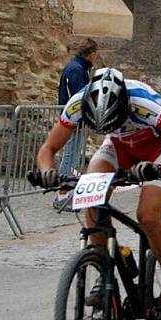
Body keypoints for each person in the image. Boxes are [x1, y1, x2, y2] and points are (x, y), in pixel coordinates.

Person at [30, 68, 161, 320]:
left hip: (155, 150)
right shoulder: (78, 102)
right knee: (91, 195)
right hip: (117, 147)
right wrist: (46, 172)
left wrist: (160, 170)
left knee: (148, 216)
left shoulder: (144, 103)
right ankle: (105, 266)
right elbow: (48, 149)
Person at [54, 39, 98, 208]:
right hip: (74, 119)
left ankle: (67, 193)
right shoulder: (77, 70)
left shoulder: (78, 68)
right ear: (91, 53)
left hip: (75, 118)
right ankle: (62, 194)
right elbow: (78, 97)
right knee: (70, 155)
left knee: (72, 155)